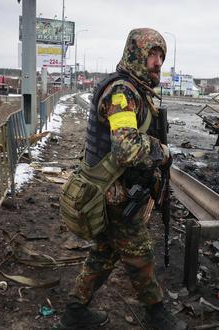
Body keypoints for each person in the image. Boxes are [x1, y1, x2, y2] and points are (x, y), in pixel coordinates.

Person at [57, 28, 187, 330]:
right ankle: (158, 316)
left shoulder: (134, 89)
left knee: (105, 252)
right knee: (139, 253)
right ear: (135, 55)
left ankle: (74, 312)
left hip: (113, 189)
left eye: (161, 56)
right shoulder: (122, 92)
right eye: (152, 54)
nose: (157, 62)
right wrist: (163, 151)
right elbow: (127, 147)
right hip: (110, 192)